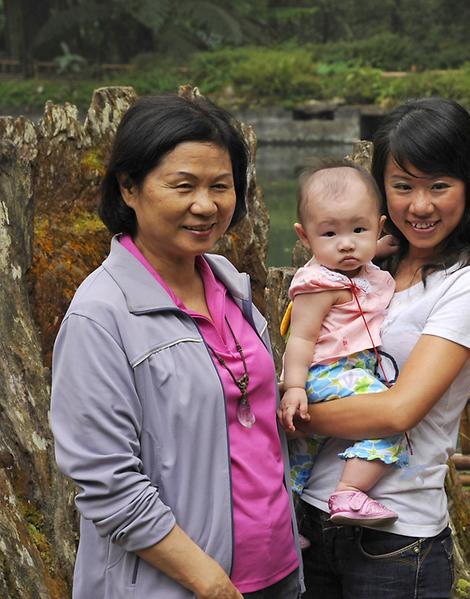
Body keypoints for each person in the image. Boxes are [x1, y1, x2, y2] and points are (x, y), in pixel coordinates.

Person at [50, 95, 303, 599]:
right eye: (183, 185)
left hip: (276, 572)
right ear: (128, 187)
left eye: (221, 186)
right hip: (184, 586)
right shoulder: (100, 316)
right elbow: (109, 484)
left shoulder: (230, 286)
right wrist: (209, 583)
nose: (206, 205)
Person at [291, 97, 470, 598]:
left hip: (396, 539)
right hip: (312, 522)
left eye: (439, 186)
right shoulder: (367, 265)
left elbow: (398, 412)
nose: (421, 205)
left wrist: (291, 411)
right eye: (403, 186)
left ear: (469, 185)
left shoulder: (468, 283)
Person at [278, 162, 402, 525]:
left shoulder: (359, 265)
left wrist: (375, 247)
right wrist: (295, 387)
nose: (347, 244)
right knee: (389, 417)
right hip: (326, 373)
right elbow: (301, 338)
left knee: (304, 453)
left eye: (359, 230)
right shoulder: (319, 285)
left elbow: (356, 250)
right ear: (305, 238)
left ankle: (286, 525)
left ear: (378, 227)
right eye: (329, 234)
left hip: (346, 373)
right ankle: (349, 492)